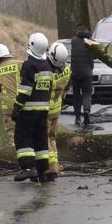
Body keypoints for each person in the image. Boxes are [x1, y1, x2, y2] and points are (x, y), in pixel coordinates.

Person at [12, 33, 53, 182]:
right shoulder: (47, 66)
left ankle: (28, 168)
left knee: (23, 138)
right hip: (43, 110)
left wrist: (17, 107)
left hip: (28, 110)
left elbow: (25, 90)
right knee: (40, 139)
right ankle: (42, 171)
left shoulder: (29, 65)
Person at [45, 42, 70, 181]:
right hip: (57, 107)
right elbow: (66, 88)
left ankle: (51, 167)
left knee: (44, 138)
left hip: (46, 109)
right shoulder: (67, 69)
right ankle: (55, 165)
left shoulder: (47, 72)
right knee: (52, 137)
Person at [0, 43, 22, 144]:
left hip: (7, 107)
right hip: (21, 103)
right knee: (24, 131)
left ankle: (12, 150)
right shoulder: (19, 64)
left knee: (11, 133)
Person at [70, 25, 94, 126]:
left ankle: (77, 118)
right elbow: (95, 55)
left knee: (76, 95)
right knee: (86, 94)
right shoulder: (90, 42)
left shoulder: (74, 41)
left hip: (75, 73)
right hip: (87, 73)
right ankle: (87, 112)